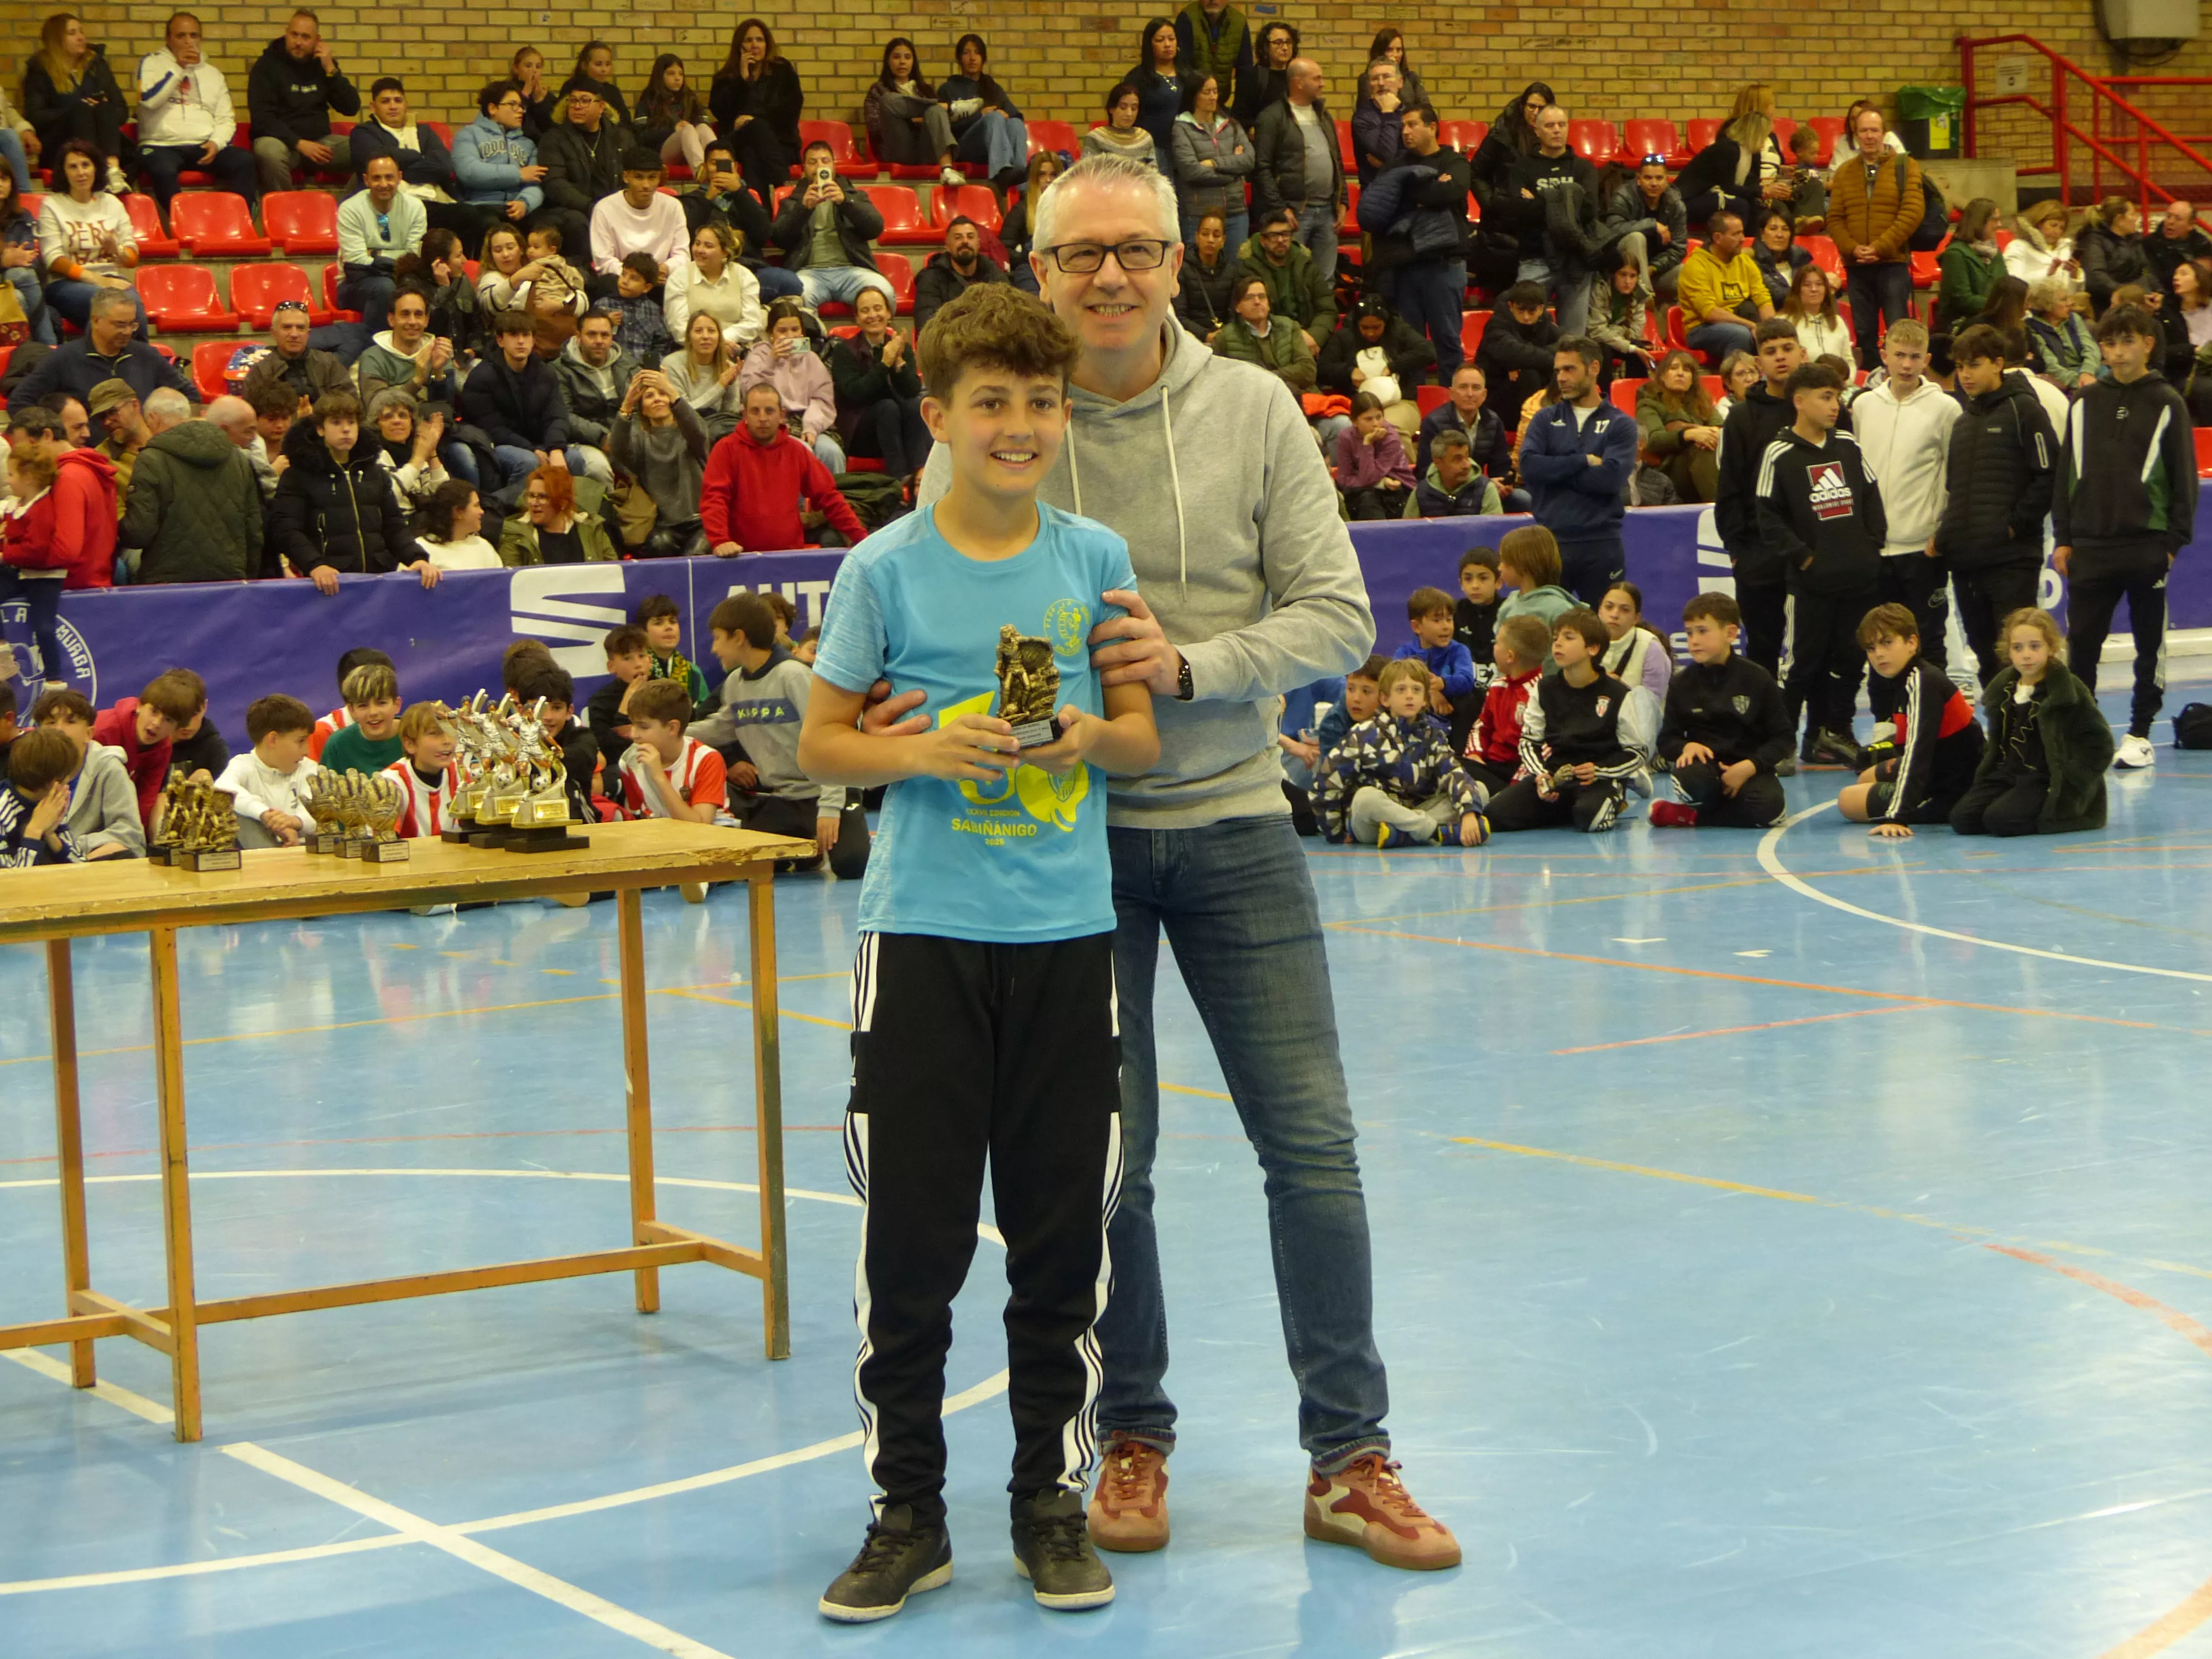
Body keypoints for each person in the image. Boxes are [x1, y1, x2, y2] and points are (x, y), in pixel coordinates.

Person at [890, 153, 1448, 1571]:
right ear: (1039, 267)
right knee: (1104, 1166)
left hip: (1236, 825)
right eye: (1080, 254)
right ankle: (1130, 1430)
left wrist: (1190, 663)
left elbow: (1337, 620)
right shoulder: (1001, 423)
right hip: (1066, 852)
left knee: (1311, 1147)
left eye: (1134, 248)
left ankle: (1350, 1453)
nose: (1109, 276)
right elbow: (925, 599)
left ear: (1177, 260)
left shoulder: (1255, 408)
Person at [795, 279, 1156, 1623]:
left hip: (1066, 937)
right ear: (936, 416)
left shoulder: (1093, 556)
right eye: (990, 402)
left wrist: (1082, 736)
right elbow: (821, 745)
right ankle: (908, 1510)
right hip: (926, 940)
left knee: (1064, 1237)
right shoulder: (880, 568)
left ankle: (1046, 1502)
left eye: (1040, 402)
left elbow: (1135, 736)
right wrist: (916, 752)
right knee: (913, 1241)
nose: (1019, 424)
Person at [2052, 303, 2198, 771]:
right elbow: (2065, 476)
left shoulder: (2167, 402)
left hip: (2146, 546)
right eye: (2110, 343)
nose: (2117, 352)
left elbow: (2184, 478)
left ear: (2148, 344)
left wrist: (2172, 542)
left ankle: (2140, 733)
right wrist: (2064, 537)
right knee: (2083, 648)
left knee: (2148, 647)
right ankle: (2085, 731)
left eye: (2127, 341)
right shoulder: (2083, 404)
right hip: (2091, 547)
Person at [1756, 362, 1885, 764]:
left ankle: (1833, 733)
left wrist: (1871, 546)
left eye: (1839, 397)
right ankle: (1783, 743)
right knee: (1800, 665)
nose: (1836, 406)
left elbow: (1870, 495)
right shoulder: (1780, 453)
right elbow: (1767, 516)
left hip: (1858, 577)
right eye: (1827, 397)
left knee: (1850, 661)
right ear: (1800, 401)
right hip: (1811, 583)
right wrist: (1804, 557)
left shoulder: (1847, 443)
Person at [1934, 323, 2057, 682]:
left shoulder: (2025, 411)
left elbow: (2049, 474)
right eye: (1959, 366)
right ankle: (2002, 737)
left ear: (1998, 363)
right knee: (1988, 660)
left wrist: (2015, 525)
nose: (1965, 375)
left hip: (2012, 560)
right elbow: (1956, 487)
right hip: (1968, 561)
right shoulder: (1963, 421)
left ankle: (2032, 734)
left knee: (2020, 657)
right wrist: (1950, 537)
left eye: (1973, 365)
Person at [684, 591, 837, 859]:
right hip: (781, 798)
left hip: (824, 794)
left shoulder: (794, 676)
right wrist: (671, 734)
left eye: (718, 638)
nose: (714, 648)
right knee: (754, 865)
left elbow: (832, 739)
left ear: (739, 637)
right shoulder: (734, 684)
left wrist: (831, 807)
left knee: (851, 862)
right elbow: (722, 727)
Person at [1483, 608, 1656, 833]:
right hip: (1559, 774)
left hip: (1597, 776)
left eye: (1568, 638)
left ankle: (1612, 794)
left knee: (1590, 820)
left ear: (1592, 649)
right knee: (1495, 815)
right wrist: (1541, 776)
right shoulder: (1545, 688)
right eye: (1556, 639)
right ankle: (1568, 807)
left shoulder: (1619, 694)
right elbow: (1529, 741)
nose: (1558, 644)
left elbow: (1637, 752)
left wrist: (1600, 770)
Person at [1848, 318, 1960, 664]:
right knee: (1880, 645)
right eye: (1900, 355)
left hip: (1922, 549)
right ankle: (1887, 718)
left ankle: (1932, 716)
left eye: (1915, 356)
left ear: (1927, 359)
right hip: (1875, 550)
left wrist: (1940, 533)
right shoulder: (1864, 406)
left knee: (1929, 641)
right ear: (1884, 356)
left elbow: (1954, 478)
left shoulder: (1946, 408)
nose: (1907, 365)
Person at [1952, 607, 2112, 837]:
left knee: (1999, 821)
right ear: (2009, 651)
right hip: (2009, 773)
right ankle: (2013, 804)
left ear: (2051, 648)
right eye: (2018, 648)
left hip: (2046, 778)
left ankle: (2049, 815)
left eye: (2035, 646)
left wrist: (2072, 780)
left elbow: (2101, 744)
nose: (2026, 655)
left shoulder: (2069, 690)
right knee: (1963, 819)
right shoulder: (2004, 688)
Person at [1713, 318, 1807, 688]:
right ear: (1759, 361)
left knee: (1815, 649)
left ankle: (1823, 732)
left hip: (1814, 551)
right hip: (1758, 552)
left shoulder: (1822, 406)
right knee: (1763, 651)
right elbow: (1729, 490)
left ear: (1802, 352)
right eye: (1770, 352)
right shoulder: (1740, 418)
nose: (1780, 358)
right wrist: (1738, 549)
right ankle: (1766, 732)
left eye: (1787, 349)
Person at [1647, 591, 1792, 830]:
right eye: (1689, 632)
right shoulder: (1682, 683)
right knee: (1691, 783)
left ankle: (1688, 816)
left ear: (1731, 633)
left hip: (1748, 768)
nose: (1693, 640)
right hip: (1705, 772)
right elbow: (1666, 740)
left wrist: (1750, 767)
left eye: (1703, 631)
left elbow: (1784, 738)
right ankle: (1703, 806)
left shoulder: (1758, 678)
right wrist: (1686, 747)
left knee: (1770, 811)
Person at [1837, 603, 1984, 836]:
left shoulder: (1922, 684)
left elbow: (1918, 755)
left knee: (1847, 801)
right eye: (1871, 648)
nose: (1879, 654)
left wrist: (1898, 817)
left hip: (1952, 786)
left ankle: (1925, 806)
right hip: (1941, 766)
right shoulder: (1906, 678)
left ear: (1912, 643)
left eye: (1887, 643)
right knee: (1866, 776)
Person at [269, 390, 438, 592]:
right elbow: (287, 530)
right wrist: (315, 564)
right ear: (320, 429)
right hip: (330, 584)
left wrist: (416, 558)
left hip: (379, 581)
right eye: (337, 423)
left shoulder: (375, 473)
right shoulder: (298, 476)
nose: (346, 430)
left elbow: (394, 525)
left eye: (351, 422)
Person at [1313, 658, 1485, 845]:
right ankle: (1434, 833)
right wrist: (1335, 832)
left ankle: (1402, 836)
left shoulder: (1434, 734)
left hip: (1417, 810)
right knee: (1365, 798)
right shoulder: (1363, 735)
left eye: (1417, 690)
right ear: (1385, 699)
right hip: (1375, 824)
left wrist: (1468, 813)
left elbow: (1453, 773)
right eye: (1401, 690)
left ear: (1425, 699)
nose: (1409, 696)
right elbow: (1326, 783)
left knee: (1479, 791)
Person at [1518, 337, 1637, 603]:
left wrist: (1554, 471)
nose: (1561, 377)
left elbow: (1610, 479)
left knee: (1604, 633)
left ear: (1594, 368)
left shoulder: (1621, 424)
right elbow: (1528, 468)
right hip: (1550, 545)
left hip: (1601, 545)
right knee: (1546, 634)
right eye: (1558, 370)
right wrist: (1581, 461)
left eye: (1569, 369)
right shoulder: (1544, 419)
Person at [702, 379, 863, 555]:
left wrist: (862, 539)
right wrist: (720, 540)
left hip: (788, 560)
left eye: (769, 411)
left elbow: (830, 498)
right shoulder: (725, 449)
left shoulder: (797, 451)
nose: (762, 418)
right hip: (740, 560)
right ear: (744, 415)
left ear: (782, 415)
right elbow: (714, 499)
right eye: (755, 411)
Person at [1370, 102, 1470, 383]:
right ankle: (1413, 404)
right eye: (1403, 126)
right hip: (1408, 267)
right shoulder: (1396, 165)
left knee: (1448, 341)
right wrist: (1432, 188)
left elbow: (1454, 190)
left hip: (1445, 266)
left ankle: (1455, 403)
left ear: (1432, 128)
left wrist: (1412, 193)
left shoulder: (1454, 162)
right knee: (1410, 345)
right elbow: (1383, 203)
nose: (1405, 132)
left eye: (1412, 124)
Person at [463, 310, 612, 487]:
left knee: (574, 459)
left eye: (526, 335)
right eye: (513, 335)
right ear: (500, 340)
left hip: (538, 443)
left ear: (533, 340)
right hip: (496, 445)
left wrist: (555, 448)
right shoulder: (482, 377)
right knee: (528, 462)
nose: (521, 341)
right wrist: (531, 449)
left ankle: (565, 511)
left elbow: (557, 416)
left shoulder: (545, 372)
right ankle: (515, 511)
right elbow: (493, 428)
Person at [118, 400, 261, 582]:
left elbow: (138, 534)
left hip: (165, 584)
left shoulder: (151, 459)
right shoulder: (240, 460)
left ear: (153, 420)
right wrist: (247, 578)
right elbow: (254, 532)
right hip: (230, 584)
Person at [135, 12, 256, 221]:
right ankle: (186, 224)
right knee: (162, 169)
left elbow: (226, 118)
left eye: (194, 35)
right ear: (168, 39)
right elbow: (148, 100)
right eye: (181, 36)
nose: (189, 41)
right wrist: (177, 68)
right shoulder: (151, 64)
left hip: (202, 145)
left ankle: (238, 223)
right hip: (161, 146)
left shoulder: (213, 74)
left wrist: (216, 143)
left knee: (243, 161)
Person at [347, 77, 489, 249]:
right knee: (466, 215)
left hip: (437, 200)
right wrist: (418, 156)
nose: (393, 106)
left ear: (406, 104)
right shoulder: (364, 133)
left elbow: (443, 167)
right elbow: (375, 164)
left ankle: (462, 269)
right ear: (373, 107)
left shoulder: (424, 132)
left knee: (486, 220)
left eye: (398, 101)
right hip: (394, 204)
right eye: (385, 102)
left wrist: (402, 166)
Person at [1829, 107, 1922, 366]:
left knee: (1898, 331)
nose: (1870, 136)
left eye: (1875, 130)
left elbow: (1912, 212)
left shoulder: (1906, 166)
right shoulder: (1844, 172)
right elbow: (1835, 218)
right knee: (1865, 334)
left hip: (1893, 263)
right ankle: (1870, 381)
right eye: (1864, 131)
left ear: (1884, 133)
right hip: (1857, 265)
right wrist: (1852, 248)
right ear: (1855, 135)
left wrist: (1880, 247)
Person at [1498, 103, 1600, 336]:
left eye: (1562, 125)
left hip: (1575, 261)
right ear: (1537, 130)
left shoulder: (1584, 168)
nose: (1557, 130)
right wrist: (1566, 199)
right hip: (1536, 258)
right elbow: (1519, 212)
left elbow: (1588, 211)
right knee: (1523, 330)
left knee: (1573, 339)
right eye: (1550, 125)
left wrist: (1541, 199)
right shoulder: (1522, 167)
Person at [772, 140, 896, 314]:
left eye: (825, 161)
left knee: (884, 292)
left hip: (851, 271)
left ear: (833, 166)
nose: (819, 167)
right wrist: (803, 208)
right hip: (809, 273)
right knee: (797, 298)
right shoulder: (793, 201)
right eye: (812, 162)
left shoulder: (854, 196)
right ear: (804, 169)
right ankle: (816, 341)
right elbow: (780, 239)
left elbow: (875, 229)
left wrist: (845, 202)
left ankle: (875, 341)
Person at [36, 139, 143, 337]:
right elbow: (53, 259)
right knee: (105, 305)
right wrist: (97, 280)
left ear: (96, 168)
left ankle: (135, 364)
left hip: (112, 281)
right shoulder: (52, 205)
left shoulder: (112, 203)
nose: (81, 173)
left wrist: (117, 250)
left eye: (86, 165)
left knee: (133, 308)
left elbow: (131, 257)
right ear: (64, 172)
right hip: (66, 284)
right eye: (73, 167)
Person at [1250, 58, 1342, 289]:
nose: (1323, 83)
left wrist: (1343, 200)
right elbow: (1261, 168)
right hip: (1295, 214)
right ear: (1298, 83)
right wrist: (1280, 207)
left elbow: (1337, 159)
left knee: (1325, 282)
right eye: (1317, 78)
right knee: (1291, 281)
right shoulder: (1272, 118)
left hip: (1328, 212)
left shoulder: (1324, 116)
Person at [247, 10, 358, 195]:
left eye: (306, 37)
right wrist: (299, 143)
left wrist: (331, 70)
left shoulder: (323, 65)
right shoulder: (266, 66)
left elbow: (351, 107)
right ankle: (285, 211)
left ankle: (345, 209)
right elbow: (262, 118)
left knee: (368, 147)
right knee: (268, 151)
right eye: (294, 35)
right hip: (283, 143)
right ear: (286, 33)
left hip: (321, 143)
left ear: (317, 40)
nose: (298, 42)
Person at [21, 13, 130, 196]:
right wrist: (74, 111)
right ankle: (97, 170)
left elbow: (122, 110)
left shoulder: (96, 65)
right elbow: (36, 115)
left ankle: (112, 171)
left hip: (103, 143)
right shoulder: (40, 69)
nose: (81, 38)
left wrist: (98, 110)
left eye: (81, 32)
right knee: (81, 109)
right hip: (60, 144)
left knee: (104, 106)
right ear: (57, 39)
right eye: (72, 33)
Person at [830, 285, 927, 483]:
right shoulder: (844, 351)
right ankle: (899, 480)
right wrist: (884, 363)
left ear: (888, 313)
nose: (873, 315)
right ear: (857, 318)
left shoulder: (900, 346)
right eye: (865, 311)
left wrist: (898, 361)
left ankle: (920, 475)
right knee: (887, 408)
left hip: (896, 427)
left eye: (878, 309)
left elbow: (913, 390)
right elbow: (855, 393)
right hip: (859, 432)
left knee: (916, 405)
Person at [32, 686, 141, 857]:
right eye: (51, 722)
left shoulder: (109, 768)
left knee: (118, 850)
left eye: (71, 721)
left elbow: (131, 835)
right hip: (33, 857)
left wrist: (71, 848)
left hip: (87, 858)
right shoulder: (27, 764)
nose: (59, 730)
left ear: (89, 734)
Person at [609, 372, 708, 557]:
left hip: (701, 521)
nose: (658, 400)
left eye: (662, 394)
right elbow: (618, 449)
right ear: (643, 410)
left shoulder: (689, 431)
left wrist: (670, 389)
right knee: (658, 545)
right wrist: (628, 404)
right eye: (649, 396)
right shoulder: (641, 440)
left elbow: (698, 432)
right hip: (665, 526)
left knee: (695, 554)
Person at [708, 18, 802, 207]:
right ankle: (784, 190)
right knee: (753, 135)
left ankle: (763, 219)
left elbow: (790, 110)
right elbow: (722, 113)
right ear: (740, 46)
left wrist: (754, 118)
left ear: (767, 44)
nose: (754, 45)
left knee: (753, 154)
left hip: (780, 144)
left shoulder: (782, 71)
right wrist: (743, 81)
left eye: (760, 40)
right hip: (739, 141)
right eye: (749, 40)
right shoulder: (726, 78)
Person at [739, 299, 843, 471]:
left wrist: (811, 427)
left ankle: (836, 497)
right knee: (803, 451)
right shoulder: (758, 356)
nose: (790, 336)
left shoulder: (811, 358)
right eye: (782, 331)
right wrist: (771, 361)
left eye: (795, 330)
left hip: (809, 420)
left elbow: (823, 400)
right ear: (771, 333)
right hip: (775, 423)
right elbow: (750, 394)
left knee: (832, 453)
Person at [537, 84, 627, 272]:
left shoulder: (620, 137)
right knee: (577, 222)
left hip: (614, 205)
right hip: (574, 208)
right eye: (573, 101)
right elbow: (555, 184)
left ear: (601, 107)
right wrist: (591, 206)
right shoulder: (554, 138)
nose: (577, 106)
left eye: (585, 101)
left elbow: (630, 174)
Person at [1458, 611, 1547, 797]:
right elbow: (1482, 726)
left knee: (1458, 775)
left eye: (1497, 642)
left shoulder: (1541, 694)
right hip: (1491, 767)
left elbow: (1543, 747)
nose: (1494, 647)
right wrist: (1475, 754)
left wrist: (1517, 787)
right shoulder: (1498, 686)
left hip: (1520, 776)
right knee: (1450, 764)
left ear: (1510, 656)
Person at [212, 693, 319, 847]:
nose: (307, 751)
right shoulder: (243, 764)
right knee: (239, 813)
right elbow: (223, 790)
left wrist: (294, 822)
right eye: (301, 741)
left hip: (303, 853)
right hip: (258, 858)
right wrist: (265, 815)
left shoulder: (308, 768)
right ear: (273, 739)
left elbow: (316, 813)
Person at [1675, 86, 1786, 233]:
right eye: (1763, 136)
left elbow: (1751, 185)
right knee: (1741, 205)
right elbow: (1727, 187)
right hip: (1690, 199)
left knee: (1754, 204)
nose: (1766, 142)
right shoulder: (1729, 149)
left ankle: (1754, 246)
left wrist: (1762, 193)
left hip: (1714, 193)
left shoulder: (1751, 152)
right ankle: (1736, 244)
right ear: (1754, 134)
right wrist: (1762, 191)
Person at [88, 671, 195, 821]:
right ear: (139, 706)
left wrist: (137, 838)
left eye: (168, 720)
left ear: (177, 728)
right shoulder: (102, 731)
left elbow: (146, 799)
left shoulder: (163, 748)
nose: (157, 723)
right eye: (154, 712)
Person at [336, 153, 425, 326]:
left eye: (389, 177)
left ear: (399, 178)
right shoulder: (350, 209)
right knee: (385, 288)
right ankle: (374, 346)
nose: (384, 184)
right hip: (355, 284)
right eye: (377, 178)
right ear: (367, 180)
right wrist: (399, 260)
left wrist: (377, 254)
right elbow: (356, 261)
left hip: (401, 279)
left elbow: (413, 257)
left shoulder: (415, 208)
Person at [863, 38, 963, 192]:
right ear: (888, 62)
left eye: (907, 57)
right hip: (898, 147)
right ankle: (952, 108)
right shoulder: (878, 90)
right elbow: (876, 126)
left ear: (913, 62)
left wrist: (912, 115)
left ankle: (947, 170)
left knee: (936, 110)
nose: (902, 62)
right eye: (897, 57)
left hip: (926, 148)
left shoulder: (926, 91)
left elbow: (941, 123)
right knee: (889, 101)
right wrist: (918, 118)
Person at [354, 283, 462, 417]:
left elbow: (446, 406)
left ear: (427, 320)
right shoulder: (372, 357)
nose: (412, 322)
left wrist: (438, 373)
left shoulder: (438, 352)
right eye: (405, 314)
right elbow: (377, 408)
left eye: (418, 315)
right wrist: (417, 381)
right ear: (391, 319)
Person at [1677, 210, 1771, 362]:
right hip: (1702, 328)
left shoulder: (1745, 261)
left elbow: (1763, 298)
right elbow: (1709, 313)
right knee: (1741, 335)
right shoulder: (1695, 266)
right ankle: (1734, 380)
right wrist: (1753, 326)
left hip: (1741, 320)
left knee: (1782, 332)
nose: (1742, 239)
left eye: (1743, 233)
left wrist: (1770, 327)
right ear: (1718, 238)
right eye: (1736, 234)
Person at [1171, 74, 1251, 253]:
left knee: (1236, 270)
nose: (1213, 97)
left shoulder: (1231, 125)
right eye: (1207, 92)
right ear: (1194, 96)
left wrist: (1213, 163)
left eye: (1215, 91)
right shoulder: (1182, 128)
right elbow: (1191, 171)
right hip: (1199, 214)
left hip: (1235, 211)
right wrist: (1233, 171)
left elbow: (1248, 160)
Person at [1235, 208, 1335, 351]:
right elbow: (1251, 315)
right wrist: (1293, 338)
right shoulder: (1249, 270)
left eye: (1285, 235)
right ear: (1263, 241)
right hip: (1269, 341)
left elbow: (1327, 309)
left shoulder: (1307, 265)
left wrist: (1315, 337)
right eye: (1274, 236)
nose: (1281, 240)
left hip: (1309, 337)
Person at [940, 34, 1030, 190]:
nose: (972, 58)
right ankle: (1001, 174)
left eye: (977, 53)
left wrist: (1005, 116)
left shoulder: (992, 88)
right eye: (967, 53)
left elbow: (1017, 116)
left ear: (983, 58)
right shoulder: (949, 89)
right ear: (960, 59)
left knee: (1015, 123)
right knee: (993, 118)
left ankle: (1021, 183)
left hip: (994, 146)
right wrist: (980, 116)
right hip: (966, 146)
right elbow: (946, 128)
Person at [453, 80, 546, 226]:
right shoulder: (469, 134)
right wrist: (518, 175)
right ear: (492, 108)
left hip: (517, 208)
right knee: (490, 224)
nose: (520, 110)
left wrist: (525, 203)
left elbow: (536, 183)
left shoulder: (528, 144)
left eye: (521, 106)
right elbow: (469, 171)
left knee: (546, 227)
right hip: (481, 207)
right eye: (513, 105)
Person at [589, 148, 688, 285]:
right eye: (639, 177)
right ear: (626, 177)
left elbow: (683, 255)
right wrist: (640, 276)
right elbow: (603, 262)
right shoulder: (604, 208)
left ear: (659, 178)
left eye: (652, 178)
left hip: (662, 280)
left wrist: (666, 269)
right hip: (622, 282)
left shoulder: (673, 206)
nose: (646, 185)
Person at [1636, 348, 1723, 503]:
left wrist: (1705, 432)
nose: (1681, 373)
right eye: (1673, 368)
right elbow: (1654, 440)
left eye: (1687, 370)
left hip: (1704, 466)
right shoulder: (1649, 403)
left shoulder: (1702, 402)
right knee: (1701, 447)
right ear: (1663, 376)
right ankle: (1719, 509)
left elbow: (1720, 427)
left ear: (1693, 379)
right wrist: (1687, 435)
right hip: (1669, 470)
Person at [1473, 280, 1559, 435]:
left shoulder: (1546, 324)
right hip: (1497, 401)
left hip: (1534, 396)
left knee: (1562, 371)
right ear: (1511, 306)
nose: (1526, 317)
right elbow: (1514, 354)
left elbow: (1567, 347)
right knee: (1529, 373)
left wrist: (1531, 359)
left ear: (1541, 309)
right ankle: (1536, 431)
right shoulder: (1496, 326)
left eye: (1532, 311)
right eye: (1521, 311)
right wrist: (1546, 359)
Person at [1601, 154, 1689, 305]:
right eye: (1648, 178)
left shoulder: (1676, 205)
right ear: (1639, 179)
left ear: (1667, 180)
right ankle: (1645, 297)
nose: (1654, 183)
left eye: (1659, 178)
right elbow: (1612, 230)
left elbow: (1679, 248)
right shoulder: (1624, 196)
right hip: (1623, 270)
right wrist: (1652, 225)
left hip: (1655, 271)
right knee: (1637, 237)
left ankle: (1683, 325)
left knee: (1688, 275)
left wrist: (1653, 267)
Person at [663, 220, 762, 353]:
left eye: (708, 246)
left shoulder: (743, 276)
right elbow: (678, 328)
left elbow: (753, 322)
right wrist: (712, 343)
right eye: (697, 244)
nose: (699, 250)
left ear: (725, 252)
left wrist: (722, 340)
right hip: (692, 351)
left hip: (735, 349)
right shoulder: (679, 277)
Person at [1209, 272, 1314, 392]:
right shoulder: (1225, 337)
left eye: (1262, 297)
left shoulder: (1290, 327)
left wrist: (1267, 376)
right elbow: (1215, 379)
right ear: (1237, 307)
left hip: (1301, 397)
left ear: (1269, 304)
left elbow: (1308, 371)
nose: (1257, 302)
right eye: (1249, 298)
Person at [1393, 584, 1478, 731]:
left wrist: (1443, 684)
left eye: (1449, 619)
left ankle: (1459, 753)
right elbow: (1394, 681)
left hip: (1452, 717)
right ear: (1416, 627)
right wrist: (1430, 692)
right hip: (1416, 715)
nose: (1446, 626)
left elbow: (1467, 680)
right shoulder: (1405, 653)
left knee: (1468, 701)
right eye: (1437, 620)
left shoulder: (1459, 650)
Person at [497, 462, 618, 564]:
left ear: (563, 502)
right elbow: (513, 581)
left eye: (543, 497)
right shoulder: (514, 534)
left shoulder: (592, 528)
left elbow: (614, 571)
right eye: (531, 496)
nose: (534, 503)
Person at [0, 724, 82, 864]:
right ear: (54, 782)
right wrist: (34, 831)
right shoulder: (3, 810)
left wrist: (51, 835)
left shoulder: (50, 803)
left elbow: (81, 865)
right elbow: (12, 882)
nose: (68, 783)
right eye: (68, 776)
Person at [914, 215, 1009, 335]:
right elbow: (927, 327)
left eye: (970, 237)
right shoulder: (931, 279)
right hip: (949, 348)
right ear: (947, 245)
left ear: (979, 244)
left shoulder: (995, 275)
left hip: (990, 345)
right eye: (958, 238)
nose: (965, 241)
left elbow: (1008, 317)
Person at [1417, 362, 1512, 482]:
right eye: (1463, 387)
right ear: (1451, 393)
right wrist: (1483, 484)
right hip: (1446, 491)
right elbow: (1427, 471)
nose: (1470, 394)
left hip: (1485, 489)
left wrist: (1503, 482)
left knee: (1521, 499)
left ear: (1484, 395)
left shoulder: (1493, 421)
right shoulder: (1433, 423)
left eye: (1476, 388)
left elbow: (1501, 464)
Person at [362, 388, 450, 511]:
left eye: (403, 416)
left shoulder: (415, 449)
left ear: (412, 422)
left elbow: (445, 498)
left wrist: (432, 451)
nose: (397, 421)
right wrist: (418, 459)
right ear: (376, 425)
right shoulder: (373, 454)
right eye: (388, 417)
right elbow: (389, 495)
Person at [1331, 390, 1413, 519]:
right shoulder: (1345, 437)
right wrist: (1381, 482)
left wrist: (1367, 443)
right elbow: (1344, 478)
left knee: (1368, 499)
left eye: (1379, 417)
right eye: (1368, 419)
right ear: (1354, 421)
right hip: (1362, 491)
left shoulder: (1391, 437)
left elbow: (1369, 478)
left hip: (1397, 489)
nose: (1376, 423)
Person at [633, 53, 713, 177]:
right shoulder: (649, 98)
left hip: (693, 149)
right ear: (660, 76)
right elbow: (641, 136)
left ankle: (721, 166)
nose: (678, 78)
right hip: (663, 153)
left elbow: (705, 123)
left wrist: (693, 126)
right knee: (687, 129)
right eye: (671, 73)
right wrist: (673, 129)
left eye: (681, 74)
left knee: (702, 127)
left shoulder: (690, 97)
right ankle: (701, 172)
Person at [1934, 197, 2004, 335]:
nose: (2000, 224)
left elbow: (2005, 287)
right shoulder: (1956, 254)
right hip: (1960, 324)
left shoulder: (1996, 254)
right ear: (1979, 222)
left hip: (1992, 317)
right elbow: (1963, 300)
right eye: (1995, 220)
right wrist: (2000, 305)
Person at [0, 169, 51, 347]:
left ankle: (39, 352)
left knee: (21, 278)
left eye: (4, 178)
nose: (0, 184)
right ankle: (47, 348)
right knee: (18, 291)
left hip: (17, 282)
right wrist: (3, 260)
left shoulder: (22, 216)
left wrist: (13, 259)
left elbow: (31, 259)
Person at [1597, 580, 1672, 701]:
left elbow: (1654, 704)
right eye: (1609, 607)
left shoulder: (1650, 647)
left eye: (1625, 610)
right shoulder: (1585, 641)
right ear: (1600, 611)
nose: (1615, 614)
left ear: (1636, 618)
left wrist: (1620, 690)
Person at [1406, 426, 1503, 520]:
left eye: (1467, 457)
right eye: (1458, 459)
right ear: (1438, 463)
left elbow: (1493, 531)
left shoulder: (1486, 489)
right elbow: (1408, 533)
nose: (1466, 465)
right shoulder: (1420, 494)